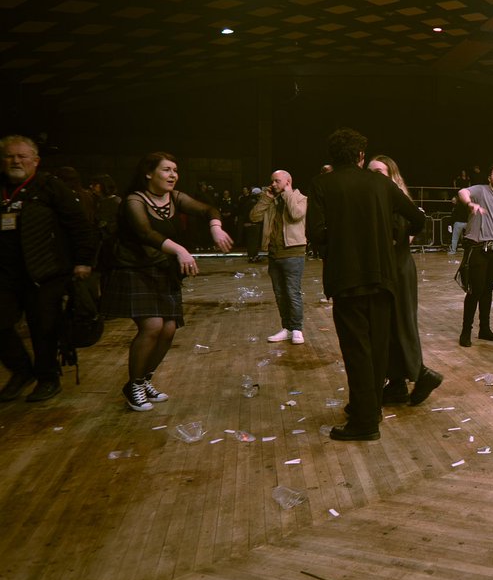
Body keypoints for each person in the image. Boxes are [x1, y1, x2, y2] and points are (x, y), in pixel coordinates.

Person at [308, 129, 440, 442]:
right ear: (360, 156)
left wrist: (338, 244)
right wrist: (393, 239)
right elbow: (419, 220)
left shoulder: (321, 185)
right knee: (377, 348)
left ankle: (365, 421)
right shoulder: (381, 184)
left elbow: (316, 234)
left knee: (357, 350)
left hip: (346, 280)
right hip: (384, 278)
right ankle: (369, 408)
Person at [104, 152, 232, 411]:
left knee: (169, 329)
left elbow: (208, 208)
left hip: (162, 269)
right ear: (149, 173)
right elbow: (145, 232)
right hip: (135, 268)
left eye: (175, 170)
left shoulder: (175, 197)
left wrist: (215, 226)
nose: (173, 174)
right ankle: (133, 386)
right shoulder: (134, 200)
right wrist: (180, 250)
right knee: (152, 326)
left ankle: (142, 379)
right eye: (166, 170)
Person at [0, 135, 99, 403]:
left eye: (22, 156)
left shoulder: (49, 187)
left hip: (46, 272)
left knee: (43, 328)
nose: (16, 161)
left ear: (36, 161)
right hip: (6, 274)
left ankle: (47, 378)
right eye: (10, 156)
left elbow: (79, 225)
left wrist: (83, 260)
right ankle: (22, 371)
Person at [367, 154, 438, 404]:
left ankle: (421, 374)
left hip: (397, 269)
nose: (373, 176)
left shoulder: (395, 201)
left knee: (401, 324)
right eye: (370, 171)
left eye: (379, 172)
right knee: (389, 327)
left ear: (391, 176)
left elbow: (409, 230)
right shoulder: (380, 200)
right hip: (389, 268)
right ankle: (396, 384)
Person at [457, 164, 493, 347]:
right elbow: (462, 191)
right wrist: (470, 203)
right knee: (474, 291)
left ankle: (485, 329)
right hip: (478, 247)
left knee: (488, 291)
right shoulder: (480, 191)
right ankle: (466, 332)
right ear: (489, 177)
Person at [250, 169, 308, 345]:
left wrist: (288, 194)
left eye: (276, 181)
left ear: (288, 182)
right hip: (274, 253)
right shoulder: (271, 201)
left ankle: (297, 329)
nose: (273, 184)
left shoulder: (300, 198)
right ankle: (287, 328)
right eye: (272, 181)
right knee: (280, 294)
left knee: (292, 292)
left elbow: (296, 214)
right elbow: (254, 216)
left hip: (293, 253)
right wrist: (266, 198)